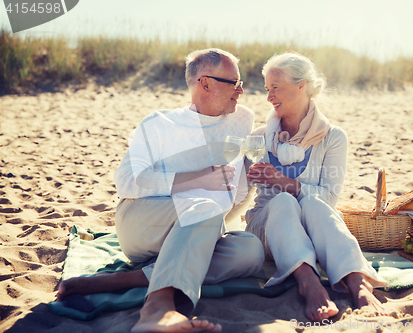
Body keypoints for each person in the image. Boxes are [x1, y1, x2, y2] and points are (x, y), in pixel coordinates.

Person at [56, 48, 265, 333]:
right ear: (205, 83)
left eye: (241, 83)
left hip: (202, 225)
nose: (241, 91)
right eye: (234, 83)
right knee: (203, 207)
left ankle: (121, 280)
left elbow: (233, 191)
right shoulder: (160, 123)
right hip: (142, 222)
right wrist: (194, 180)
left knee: (251, 251)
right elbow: (127, 180)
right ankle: (157, 308)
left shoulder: (242, 119)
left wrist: (250, 178)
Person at [245, 52, 388, 322]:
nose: (269, 96)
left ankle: (357, 282)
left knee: (313, 202)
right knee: (284, 202)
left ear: (302, 86)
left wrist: (285, 183)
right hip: (266, 228)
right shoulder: (259, 137)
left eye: (276, 87)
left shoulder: (333, 137)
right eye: (267, 89)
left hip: (314, 226)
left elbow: (329, 199)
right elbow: (235, 190)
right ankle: (308, 282)